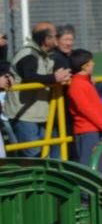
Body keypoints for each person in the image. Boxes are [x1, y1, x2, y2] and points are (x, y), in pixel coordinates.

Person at [4, 22, 72, 156]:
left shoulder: (45, 54)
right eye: (55, 36)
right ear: (47, 39)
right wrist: (54, 78)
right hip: (24, 116)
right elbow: (29, 76)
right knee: (32, 154)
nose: (58, 38)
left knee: (45, 152)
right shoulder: (29, 55)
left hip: (39, 114)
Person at [66, 49, 102, 168]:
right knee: (90, 166)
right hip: (87, 130)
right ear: (85, 66)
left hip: (92, 129)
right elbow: (86, 108)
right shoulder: (77, 85)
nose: (93, 64)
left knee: (96, 164)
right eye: (91, 61)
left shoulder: (83, 83)